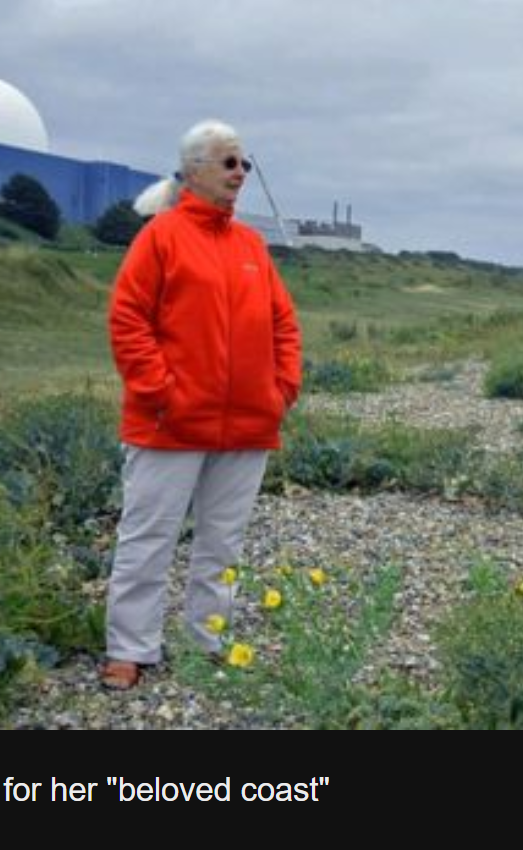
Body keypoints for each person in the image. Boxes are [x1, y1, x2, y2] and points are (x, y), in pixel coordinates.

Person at [100, 119, 302, 690]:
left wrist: (280, 388)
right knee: (148, 539)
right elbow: (128, 320)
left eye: (244, 164)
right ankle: (130, 649)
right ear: (194, 171)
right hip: (169, 424)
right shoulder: (161, 237)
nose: (241, 173)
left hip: (246, 426)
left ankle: (207, 642)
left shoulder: (251, 246)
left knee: (223, 543)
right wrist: (161, 392)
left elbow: (284, 323)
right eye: (229, 163)